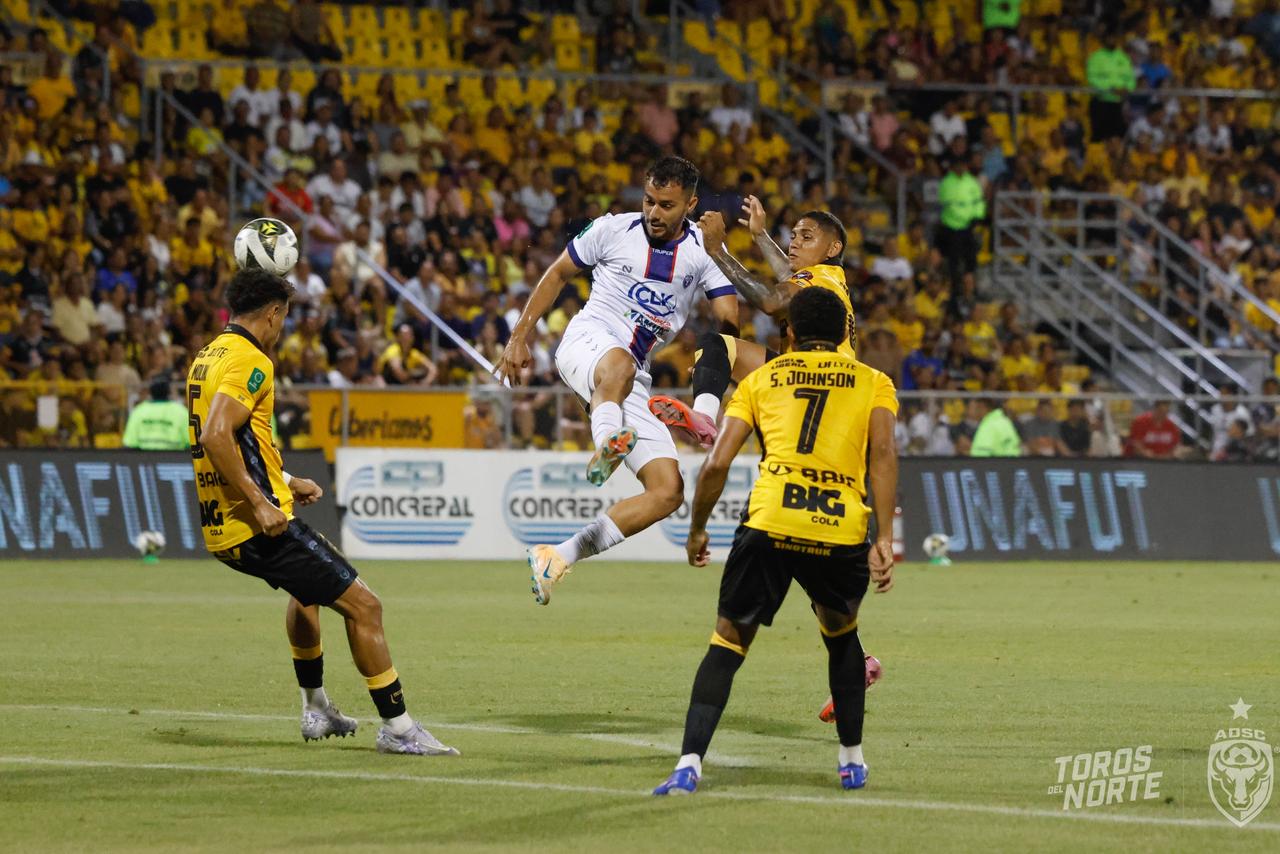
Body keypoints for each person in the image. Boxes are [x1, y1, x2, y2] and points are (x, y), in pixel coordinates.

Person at [186, 269, 457, 756]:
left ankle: (316, 708)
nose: (282, 327)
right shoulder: (251, 360)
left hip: (222, 521)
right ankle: (398, 729)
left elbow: (240, 440)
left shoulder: (208, 356)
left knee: (305, 593)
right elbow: (216, 435)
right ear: (273, 313)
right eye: (284, 317)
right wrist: (261, 502)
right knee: (365, 606)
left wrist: (286, 480)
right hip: (252, 523)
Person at [653, 288, 898, 796]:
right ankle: (851, 761)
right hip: (838, 526)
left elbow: (717, 464)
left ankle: (688, 765)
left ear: (790, 332)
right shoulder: (874, 382)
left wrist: (697, 528)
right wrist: (885, 536)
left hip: (770, 521)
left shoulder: (761, 379)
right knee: (842, 637)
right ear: (843, 334)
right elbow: (883, 457)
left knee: (727, 644)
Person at [495, 156, 739, 606]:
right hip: (587, 343)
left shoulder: (705, 252)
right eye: (648, 201)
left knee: (668, 491)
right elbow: (557, 273)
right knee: (620, 365)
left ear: (690, 204)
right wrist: (519, 337)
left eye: (666, 205)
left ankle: (556, 556)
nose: (654, 212)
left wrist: (713, 369)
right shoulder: (612, 229)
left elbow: (728, 321)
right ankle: (607, 441)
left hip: (632, 377)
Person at [648, 196, 857, 448]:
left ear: (833, 249)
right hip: (812, 383)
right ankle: (703, 418)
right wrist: (760, 235)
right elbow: (788, 274)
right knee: (718, 348)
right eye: (793, 236)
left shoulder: (820, 278)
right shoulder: (829, 279)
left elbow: (770, 301)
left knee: (718, 346)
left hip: (819, 385)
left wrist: (716, 251)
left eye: (806, 237)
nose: (795, 243)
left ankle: (708, 416)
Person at [122, 378, 190, 451]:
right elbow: (190, 442)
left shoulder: (139, 411)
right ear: (169, 392)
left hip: (143, 456)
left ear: (150, 392)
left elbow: (130, 443)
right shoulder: (181, 411)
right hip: (176, 457)